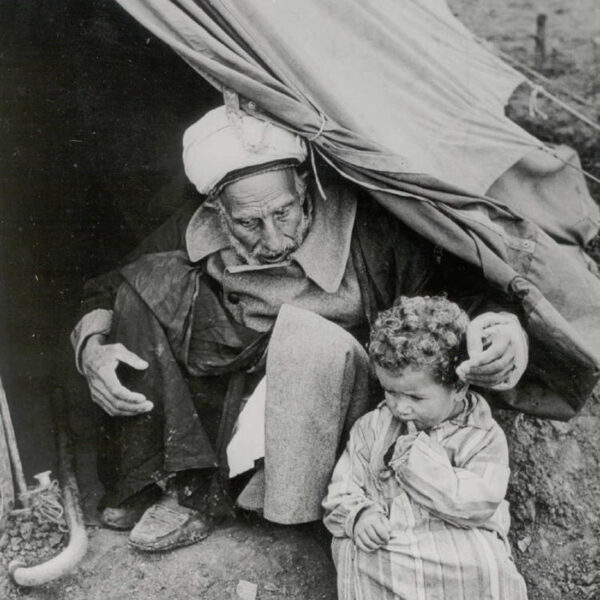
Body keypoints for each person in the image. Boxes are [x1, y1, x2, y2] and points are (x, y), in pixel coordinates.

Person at [71, 105, 529, 552]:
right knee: (147, 283)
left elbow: (458, 287)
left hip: (336, 394)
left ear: (304, 185)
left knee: (304, 337)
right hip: (235, 384)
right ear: (218, 210)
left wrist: (502, 328)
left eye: (284, 213)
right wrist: (93, 347)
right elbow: (111, 285)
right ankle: (178, 486)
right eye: (248, 223)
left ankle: (286, 509)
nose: (272, 240)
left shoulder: (370, 227)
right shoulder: (197, 226)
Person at [322, 295, 528, 599]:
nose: (400, 407)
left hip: (453, 543)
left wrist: (420, 466)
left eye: (415, 398)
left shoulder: (481, 434)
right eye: (390, 392)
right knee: (360, 554)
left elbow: (481, 504)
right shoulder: (373, 426)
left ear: (459, 387)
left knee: (487, 568)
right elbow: (342, 490)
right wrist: (362, 515)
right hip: (391, 543)